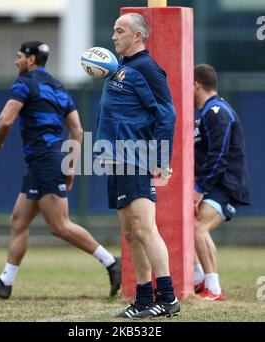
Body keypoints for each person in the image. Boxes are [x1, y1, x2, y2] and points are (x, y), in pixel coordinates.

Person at [0, 41, 121, 299]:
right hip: (46, 161)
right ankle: (5, 282)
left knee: (59, 225)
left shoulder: (25, 83)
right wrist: (70, 166)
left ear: (31, 60)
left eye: (18, 57)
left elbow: (5, 119)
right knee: (18, 221)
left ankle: (112, 262)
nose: (15, 61)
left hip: (44, 160)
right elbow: (76, 130)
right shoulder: (58, 87)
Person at [95, 13, 180, 318]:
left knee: (144, 227)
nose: (114, 36)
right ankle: (144, 299)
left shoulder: (146, 68)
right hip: (116, 157)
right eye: (114, 31)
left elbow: (166, 114)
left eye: (120, 31)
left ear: (138, 36)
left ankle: (168, 297)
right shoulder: (121, 68)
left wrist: (160, 157)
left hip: (135, 157)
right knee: (130, 232)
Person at [193, 64, 250, 300]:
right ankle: (198, 279)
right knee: (189, 226)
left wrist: (200, 189)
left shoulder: (216, 111)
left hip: (224, 185)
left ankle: (213, 289)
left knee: (199, 228)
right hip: (213, 184)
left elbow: (219, 155)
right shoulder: (206, 112)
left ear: (195, 85)